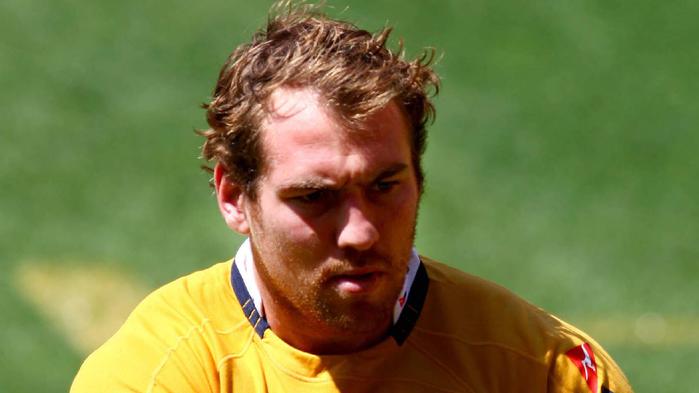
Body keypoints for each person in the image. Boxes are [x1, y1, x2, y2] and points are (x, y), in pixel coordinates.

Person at [71, 2, 633, 392]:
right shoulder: (153, 376)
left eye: (385, 186)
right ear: (235, 197)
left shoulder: (537, 370)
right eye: (315, 197)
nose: (361, 231)